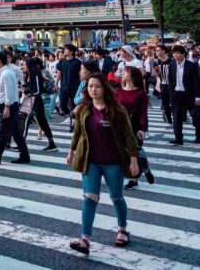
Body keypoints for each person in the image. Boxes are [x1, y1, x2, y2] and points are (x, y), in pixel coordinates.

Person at [67, 73, 140, 255]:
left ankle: (123, 229)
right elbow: (78, 132)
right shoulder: (84, 109)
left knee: (116, 197)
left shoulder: (117, 110)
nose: (93, 89)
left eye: (97, 86)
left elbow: (129, 136)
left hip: (113, 161)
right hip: (90, 160)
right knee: (90, 198)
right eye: (90, 86)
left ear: (104, 88)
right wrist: (71, 150)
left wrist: (133, 159)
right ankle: (85, 239)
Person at [0, 52, 30, 166]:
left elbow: (9, 91)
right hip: (9, 105)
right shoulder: (4, 72)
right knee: (15, 133)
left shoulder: (6, 74)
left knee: (3, 132)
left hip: (8, 105)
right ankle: (24, 155)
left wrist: (7, 106)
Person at [117, 66, 152, 189]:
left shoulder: (140, 93)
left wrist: (143, 129)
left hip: (135, 126)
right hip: (120, 126)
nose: (123, 73)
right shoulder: (118, 91)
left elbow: (143, 113)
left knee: (134, 152)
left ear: (132, 76)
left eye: (125, 72)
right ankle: (145, 167)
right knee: (123, 152)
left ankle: (134, 179)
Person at [167, 45, 200, 145]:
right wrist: (171, 94)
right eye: (174, 53)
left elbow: (196, 82)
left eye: (177, 53)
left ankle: (198, 136)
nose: (175, 55)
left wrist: (198, 96)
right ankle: (178, 138)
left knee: (196, 116)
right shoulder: (172, 65)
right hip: (176, 94)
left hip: (189, 94)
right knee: (177, 117)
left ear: (183, 54)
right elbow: (170, 80)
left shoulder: (192, 65)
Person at [22, 57, 56, 151]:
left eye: (25, 64)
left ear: (30, 65)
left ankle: (21, 144)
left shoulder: (36, 75)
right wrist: (23, 87)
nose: (23, 66)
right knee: (40, 122)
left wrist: (26, 91)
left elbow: (37, 91)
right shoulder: (28, 75)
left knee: (27, 121)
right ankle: (52, 144)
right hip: (30, 100)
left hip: (35, 100)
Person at [56, 44, 82, 122]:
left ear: (71, 51)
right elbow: (59, 73)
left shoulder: (77, 62)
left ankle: (74, 121)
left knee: (74, 104)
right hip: (64, 86)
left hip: (75, 86)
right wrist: (56, 82)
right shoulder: (62, 61)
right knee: (62, 105)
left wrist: (82, 85)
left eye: (66, 49)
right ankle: (69, 114)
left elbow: (80, 74)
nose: (64, 51)